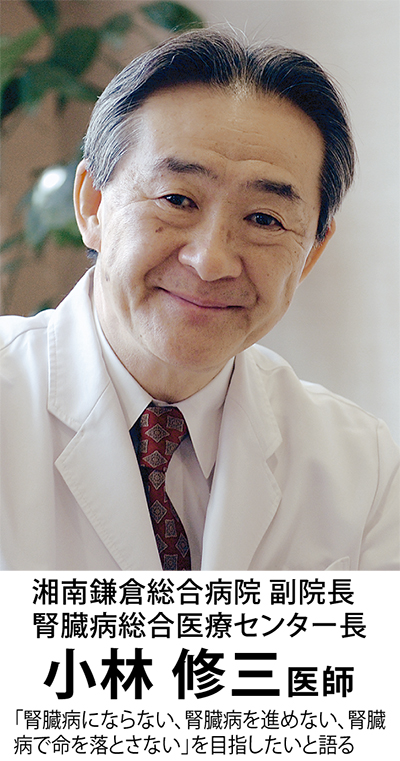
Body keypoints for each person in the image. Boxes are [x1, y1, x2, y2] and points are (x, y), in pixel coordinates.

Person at [0, 30, 398, 571]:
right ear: (93, 204)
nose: (211, 261)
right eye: (177, 199)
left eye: (264, 219)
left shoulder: (364, 468)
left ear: (310, 253)